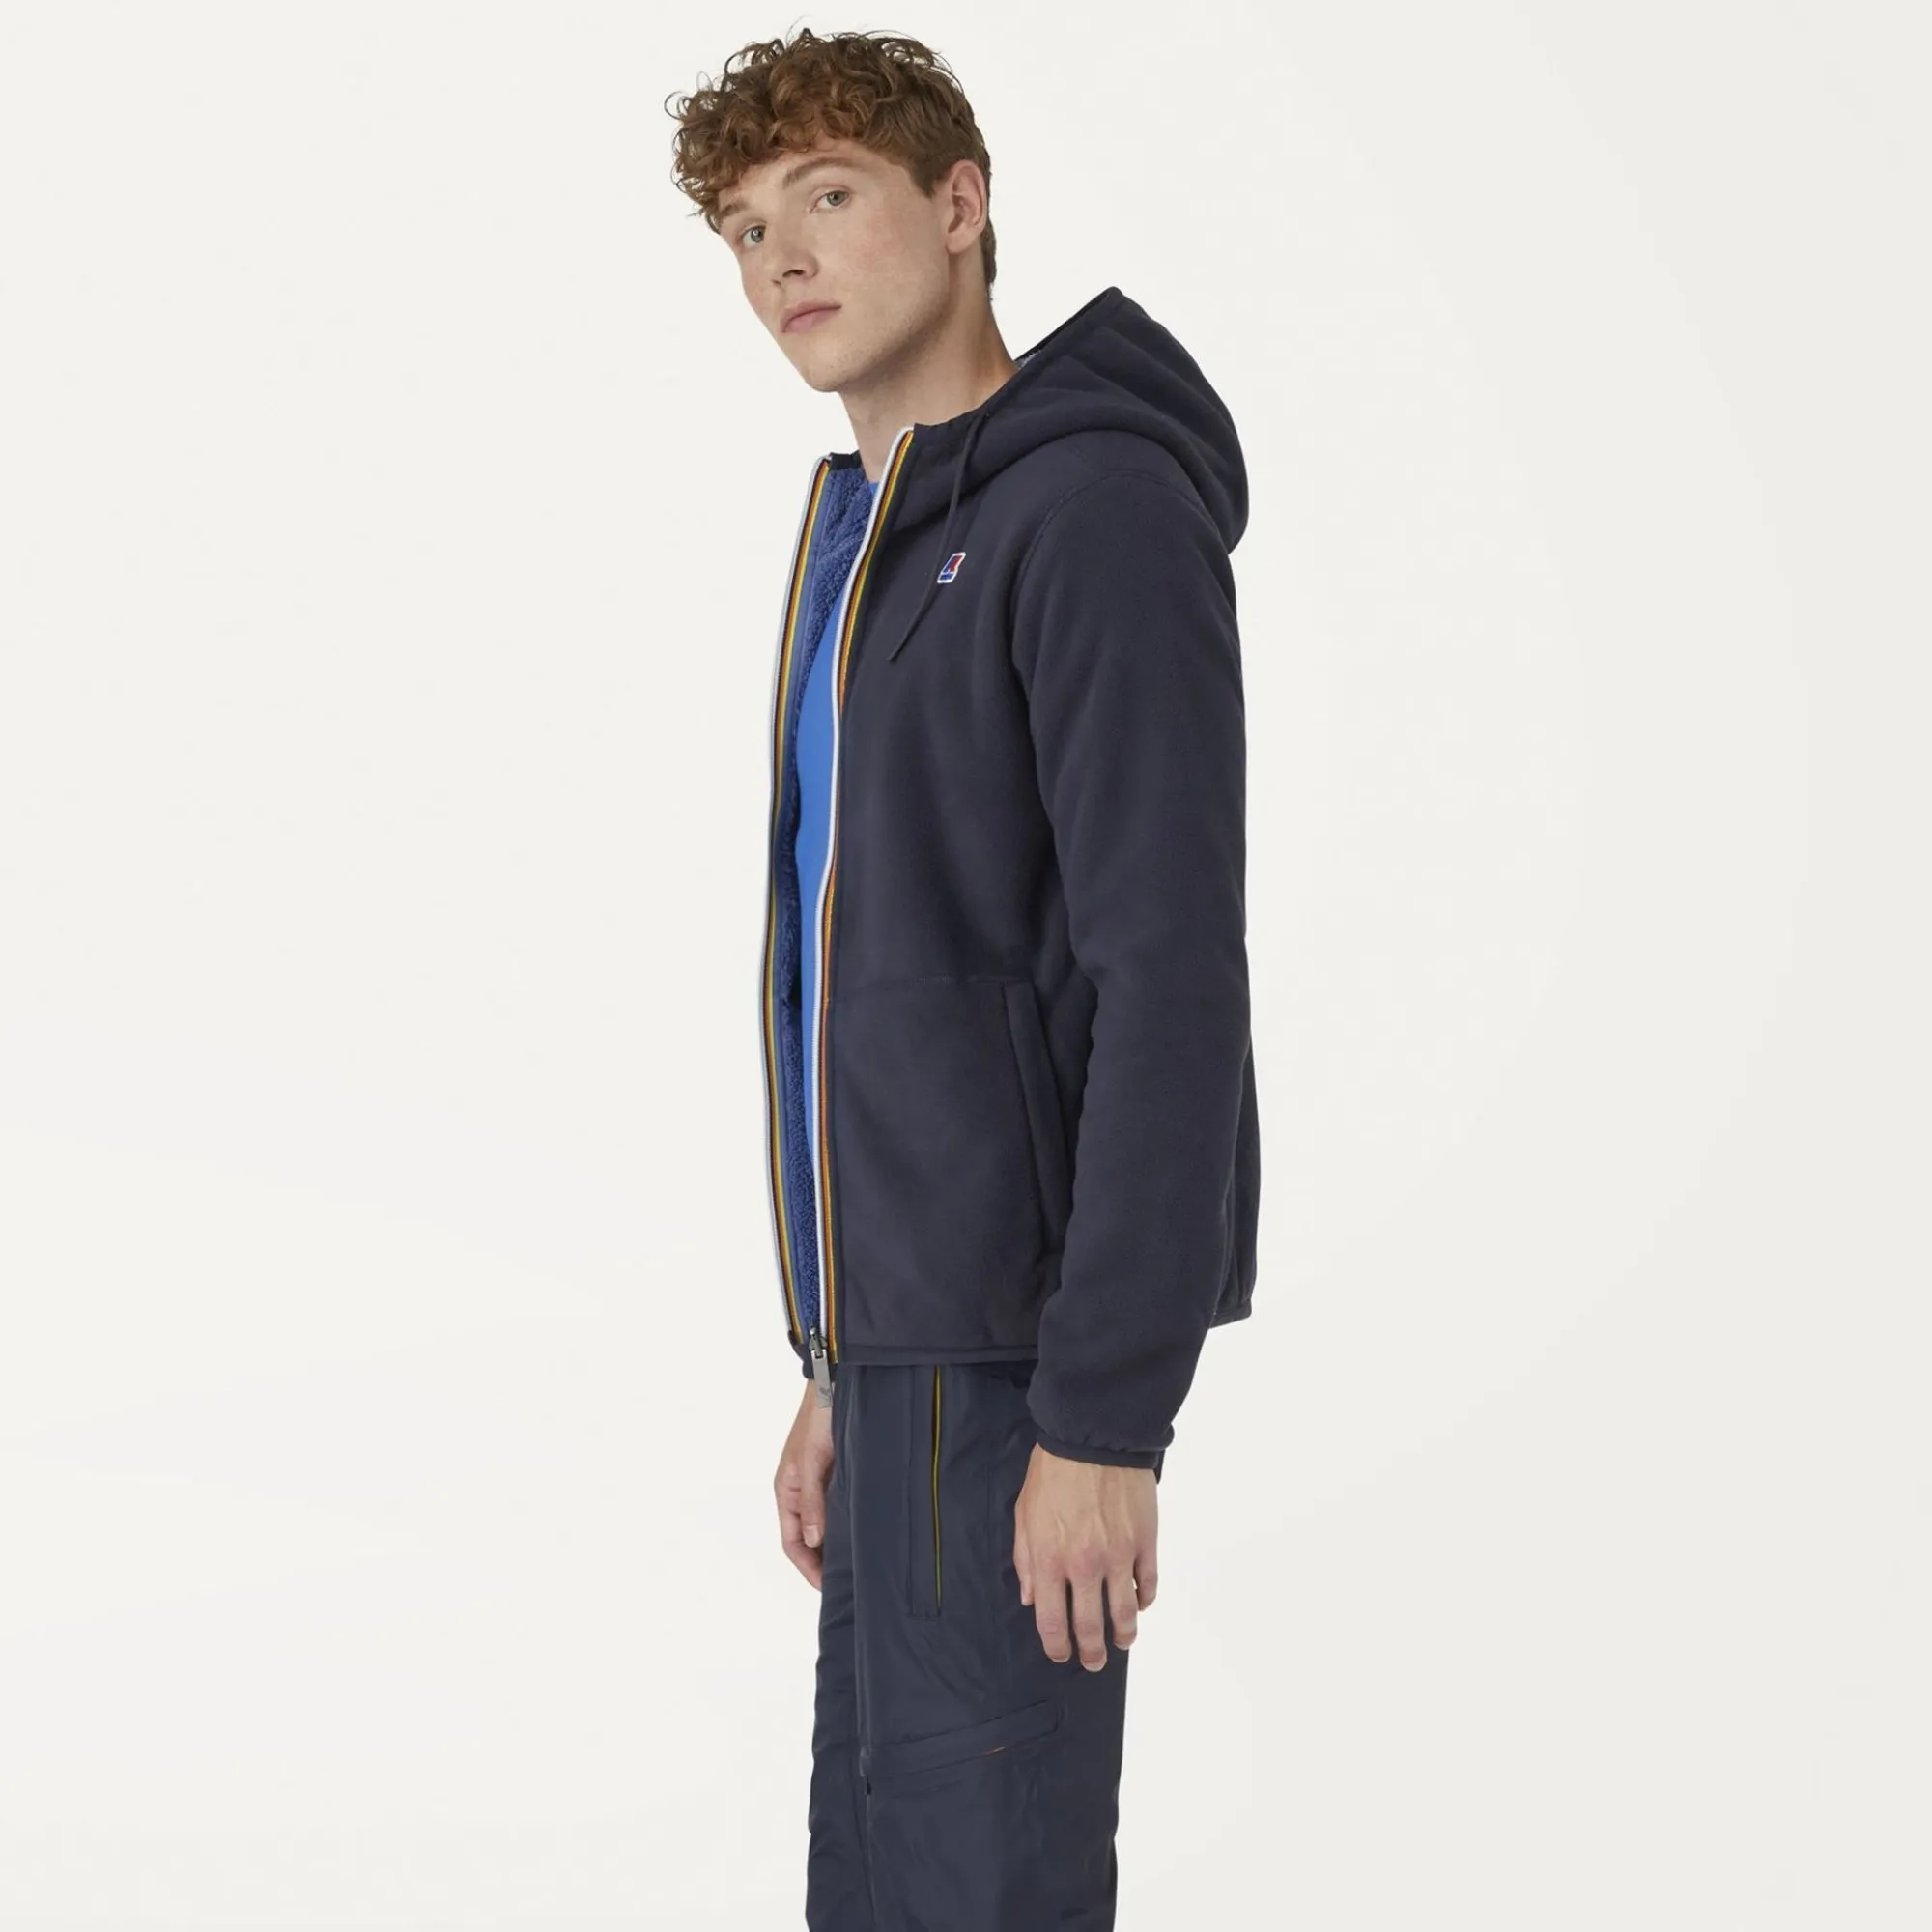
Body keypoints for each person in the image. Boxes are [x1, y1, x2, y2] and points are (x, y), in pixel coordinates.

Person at [666, 27, 1262, 1928]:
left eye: (827, 195)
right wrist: (840, 1357)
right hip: (903, 1365)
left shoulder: (1088, 514)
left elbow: (1170, 977)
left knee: (978, 1895)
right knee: (883, 1893)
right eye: (745, 228)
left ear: (959, 203)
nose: (781, 258)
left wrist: (1104, 1417)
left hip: (1020, 1372)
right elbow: (885, 985)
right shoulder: (875, 546)